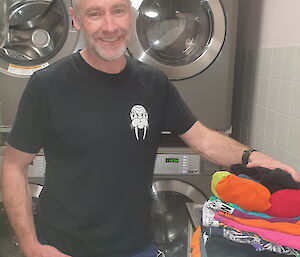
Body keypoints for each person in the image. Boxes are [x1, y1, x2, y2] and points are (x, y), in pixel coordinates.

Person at [1, 0, 299, 257]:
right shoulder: (48, 85)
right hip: (63, 247)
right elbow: (14, 165)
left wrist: (252, 157)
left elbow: (203, 139)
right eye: (95, 13)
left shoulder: (153, 83)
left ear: (130, 15)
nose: (109, 26)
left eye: (117, 11)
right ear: (76, 19)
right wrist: (30, 245)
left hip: (136, 245)